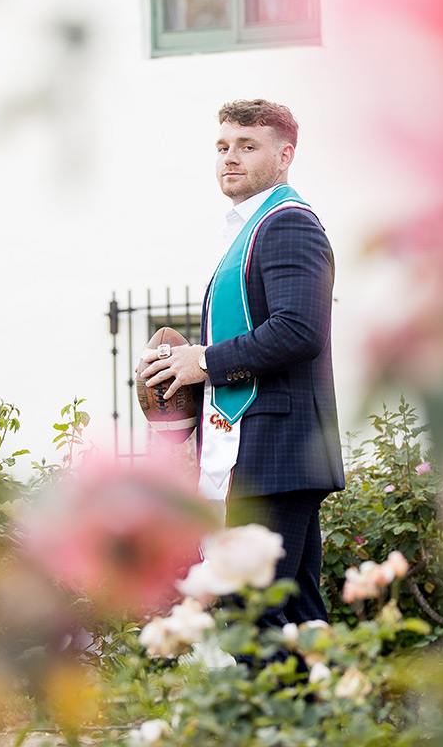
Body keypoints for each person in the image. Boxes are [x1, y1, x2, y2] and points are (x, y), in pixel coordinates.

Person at [137, 99, 345, 630]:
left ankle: (283, 716)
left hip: (275, 453)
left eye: (248, 146)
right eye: (223, 147)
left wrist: (203, 361)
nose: (230, 158)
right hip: (264, 453)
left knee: (251, 621)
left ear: (285, 155)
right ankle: (320, 714)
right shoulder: (251, 231)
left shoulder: (287, 226)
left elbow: (300, 332)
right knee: (293, 619)